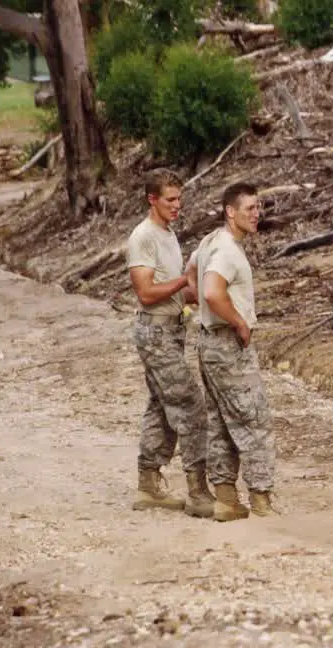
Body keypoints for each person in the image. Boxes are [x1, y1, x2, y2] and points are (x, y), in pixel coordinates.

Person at [186, 183, 279, 521]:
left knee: (221, 422)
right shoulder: (225, 249)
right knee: (254, 420)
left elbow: (191, 275)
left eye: (258, 207)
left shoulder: (210, 242)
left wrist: (205, 310)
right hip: (226, 343)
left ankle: (226, 498)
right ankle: (261, 499)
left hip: (208, 342)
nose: (257, 214)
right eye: (250, 208)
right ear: (230, 211)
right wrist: (237, 321)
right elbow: (212, 291)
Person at [125, 169, 213, 516]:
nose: (178, 205)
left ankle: (148, 483)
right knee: (190, 404)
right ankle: (198, 490)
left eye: (179, 198)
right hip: (156, 332)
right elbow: (146, 293)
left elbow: (177, 288)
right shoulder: (142, 237)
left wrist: (207, 294)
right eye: (170, 200)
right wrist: (183, 282)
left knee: (162, 406)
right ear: (152, 200)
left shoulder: (167, 233)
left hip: (174, 329)